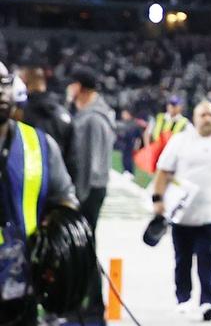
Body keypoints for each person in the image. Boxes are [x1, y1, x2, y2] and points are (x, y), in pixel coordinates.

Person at [152, 101, 211, 322]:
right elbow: (163, 172)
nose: (207, 119)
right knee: (182, 259)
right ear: (195, 118)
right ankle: (183, 298)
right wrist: (157, 199)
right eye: (203, 114)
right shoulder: (180, 141)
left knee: (208, 257)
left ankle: (207, 300)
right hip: (182, 214)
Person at [0, 65, 80, 325]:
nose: (1, 92)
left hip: (24, 283)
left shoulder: (40, 145)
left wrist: (56, 239)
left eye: (4, 84)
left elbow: (66, 201)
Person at [67, 70, 113, 322]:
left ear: (80, 87)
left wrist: (78, 197)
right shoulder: (94, 114)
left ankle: (94, 305)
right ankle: (87, 302)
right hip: (92, 187)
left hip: (89, 189)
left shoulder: (93, 119)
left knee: (84, 247)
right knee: (83, 246)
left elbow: (90, 163)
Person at [15, 67, 73, 173]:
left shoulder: (21, 112)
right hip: (59, 175)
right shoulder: (62, 112)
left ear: (24, 82)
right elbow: (73, 156)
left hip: (29, 175)